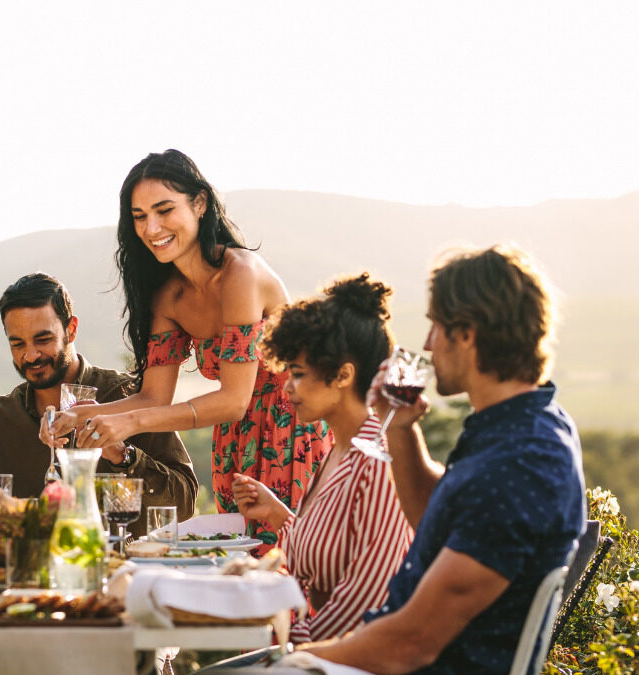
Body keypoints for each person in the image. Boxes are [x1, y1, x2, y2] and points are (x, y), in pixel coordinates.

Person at [289, 246, 585, 674]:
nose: (427, 344)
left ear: (466, 333)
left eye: (436, 327)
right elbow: (433, 517)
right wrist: (401, 430)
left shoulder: (523, 463)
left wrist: (295, 660)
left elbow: (412, 644)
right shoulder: (511, 426)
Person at [51, 149, 328, 546]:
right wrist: (82, 416)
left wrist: (130, 424)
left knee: (292, 563)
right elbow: (152, 395)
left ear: (199, 204)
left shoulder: (240, 275)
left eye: (164, 210)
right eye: (140, 216)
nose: (152, 227)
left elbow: (234, 399)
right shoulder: (169, 296)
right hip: (236, 442)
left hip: (294, 432)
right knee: (239, 568)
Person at [232, 274, 412, 642]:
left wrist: (275, 639)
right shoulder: (339, 450)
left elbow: (365, 606)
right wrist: (280, 515)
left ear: (343, 375)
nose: (287, 387)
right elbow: (331, 552)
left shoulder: (378, 462)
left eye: (297, 374)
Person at [0, 273, 198, 535]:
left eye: (43, 340)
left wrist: (125, 457)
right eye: (17, 344)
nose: (30, 355)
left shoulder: (131, 397)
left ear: (72, 329)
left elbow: (185, 502)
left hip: (128, 570)